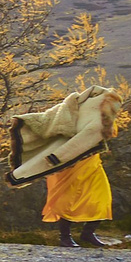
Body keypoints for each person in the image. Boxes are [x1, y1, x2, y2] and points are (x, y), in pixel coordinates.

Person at [7, 83, 115, 248]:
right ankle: (65, 237)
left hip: (91, 163)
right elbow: (50, 126)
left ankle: (88, 234)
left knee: (102, 197)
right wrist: (57, 157)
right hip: (66, 165)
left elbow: (105, 135)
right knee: (67, 200)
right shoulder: (66, 110)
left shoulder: (100, 117)